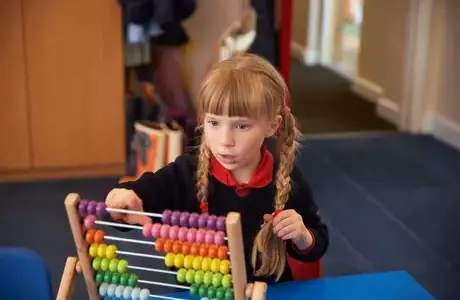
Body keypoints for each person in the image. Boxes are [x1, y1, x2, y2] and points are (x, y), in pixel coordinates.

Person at [105, 53, 329, 284]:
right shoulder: (184, 174)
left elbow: (317, 241)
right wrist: (123, 199)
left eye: (241, 126)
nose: (225, 140)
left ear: (272, 126)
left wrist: (302, 235)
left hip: (268, 293)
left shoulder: (288, 180)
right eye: (214, 123)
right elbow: (134, 200)